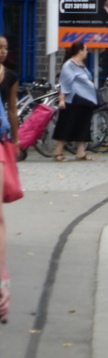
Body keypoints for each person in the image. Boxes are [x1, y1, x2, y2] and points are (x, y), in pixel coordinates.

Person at [0, 35, 20, 323]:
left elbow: (13, 108)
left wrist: (16, 140)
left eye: (5, 47)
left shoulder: (10, 76)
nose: (2, 52)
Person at [53, 42, 98, 162]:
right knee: (66, 125)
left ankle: (80, 152)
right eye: (86, 49)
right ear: (80, 51)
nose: (87, 52)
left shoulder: (81, 65)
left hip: (85, 100)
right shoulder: (69, 65)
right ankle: (58, 151)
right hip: (73, 100)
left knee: (83, 126)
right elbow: (64, 82)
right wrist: (62, 99)